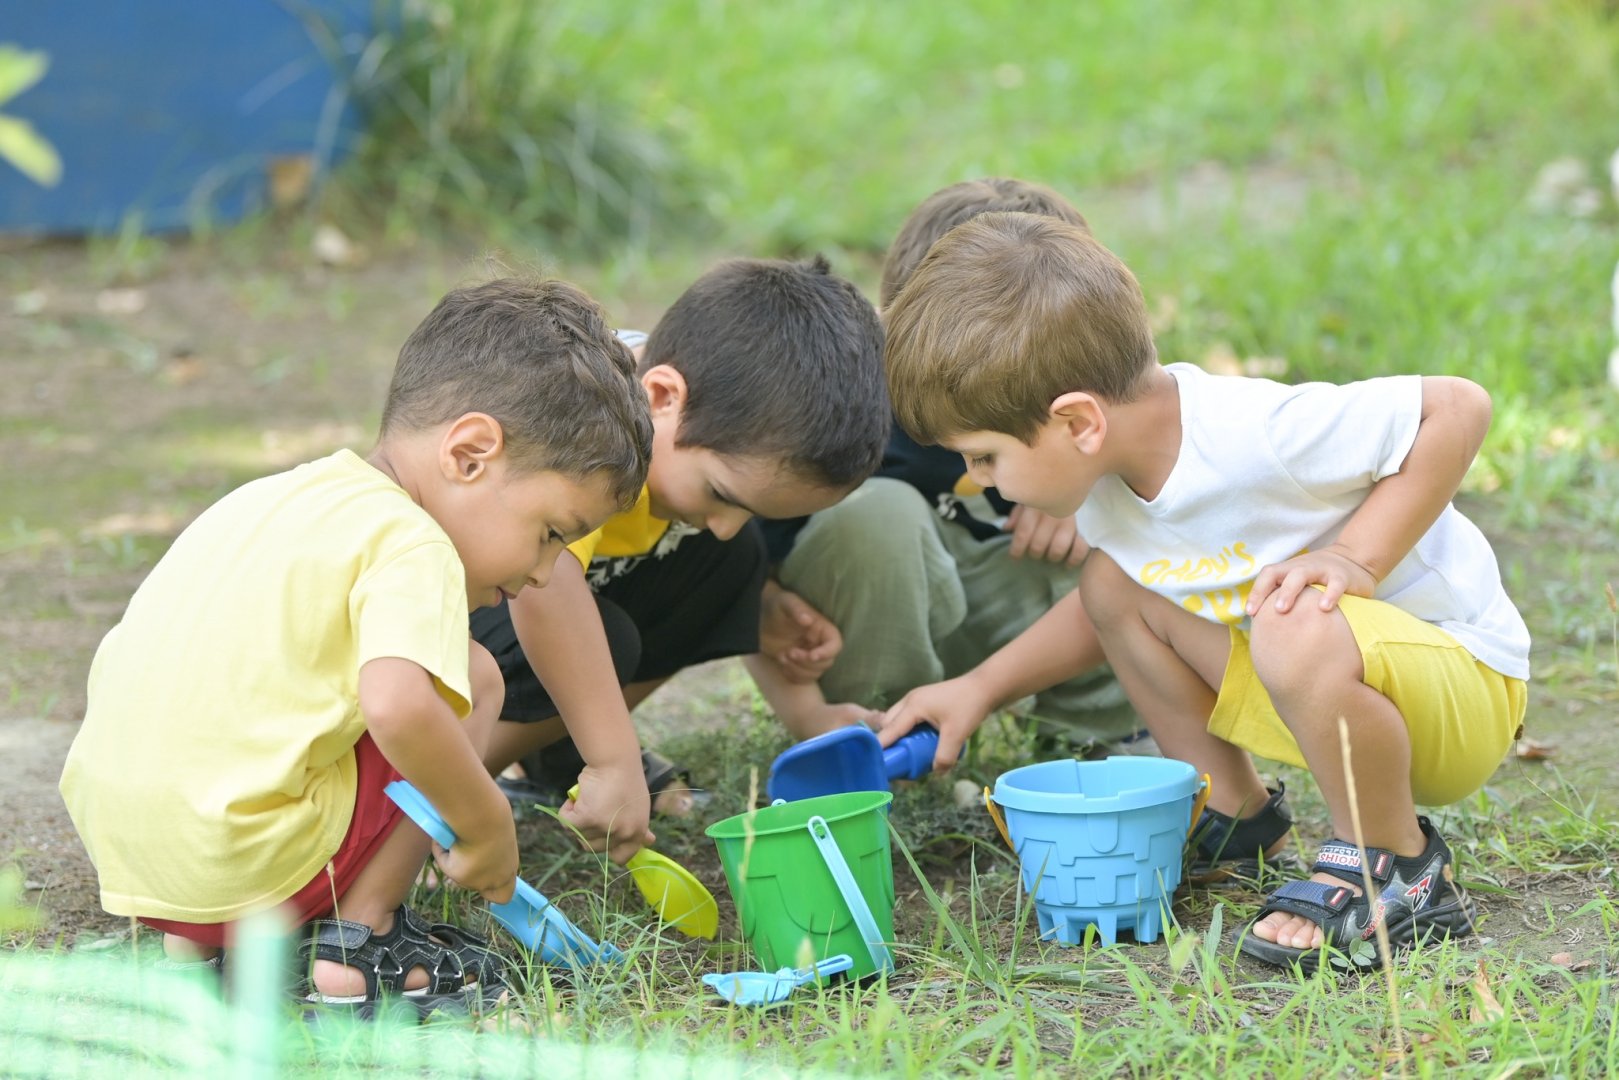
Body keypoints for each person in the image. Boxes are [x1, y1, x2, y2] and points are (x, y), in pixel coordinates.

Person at [878, 211, 1530, 970]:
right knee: (1113, 586)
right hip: (1327, 695)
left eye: (984, 456)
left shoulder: (1255, 433)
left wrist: (1355, 557)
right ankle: (1234, 815)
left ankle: (1397, 866)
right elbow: (1099, 615)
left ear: (1077, 421)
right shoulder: (1111, 486)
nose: (976, 479)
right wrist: (979, 688)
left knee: (1291, 620)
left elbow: (1457, 407)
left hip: (1460, 693)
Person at [59, 277, 653, 1013]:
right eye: (551, 534)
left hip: (135, 862)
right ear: (469, 454)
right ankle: (358, 943)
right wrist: (486, 823)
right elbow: (398, 706)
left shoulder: (272, 498)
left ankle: (195, 950)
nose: (543, 572)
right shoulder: (411, 540)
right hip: (243, 870)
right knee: (470, 674)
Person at [472, 254, 889, 836]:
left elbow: (720, 544)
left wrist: (805, 702)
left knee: (735, 560)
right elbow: (547, 591)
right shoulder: (586, 418)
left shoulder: (691, 435)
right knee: (603, 635)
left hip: (526, 604)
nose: (725, 524)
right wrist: (615, 759)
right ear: (663, 396)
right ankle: (441, 794)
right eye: (722, 495)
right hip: (439, 623)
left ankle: (560, 751)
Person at [758, 178, 1137, 752]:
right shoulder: (836, 400)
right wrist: (796, 685)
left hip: (1017, 616)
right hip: (876, 621)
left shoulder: (1095, 398)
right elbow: (742, 565)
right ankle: (881, 737)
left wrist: (1090, 491)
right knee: (878, 515)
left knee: (1125, 548)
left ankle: (1099, 745)